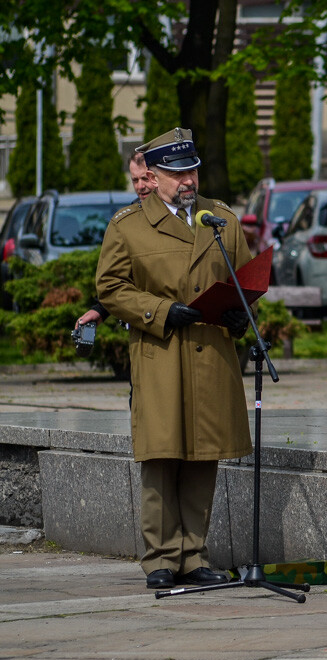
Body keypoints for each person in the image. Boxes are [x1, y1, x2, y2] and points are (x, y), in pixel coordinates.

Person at [96, 128, 253, 589]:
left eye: (192, 170)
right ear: (153, 175)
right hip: (162, 352)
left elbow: (244, 276)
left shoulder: (220, 218)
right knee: (162, 456)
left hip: (212, 354)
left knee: (205, 456)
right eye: (177, 172)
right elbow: (111, 287)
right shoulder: (128, 225)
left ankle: (194, 554)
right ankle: (161, 557)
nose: (188, 180)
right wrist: (161, 311)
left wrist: (244, 312)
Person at [77, 152, 158, 329]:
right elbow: (119, 277)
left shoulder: (184, 212)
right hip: (147, 321)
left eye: (145, 179)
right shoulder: (129, 219)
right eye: (135, 180)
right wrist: (101, 309)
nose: (140, 186)